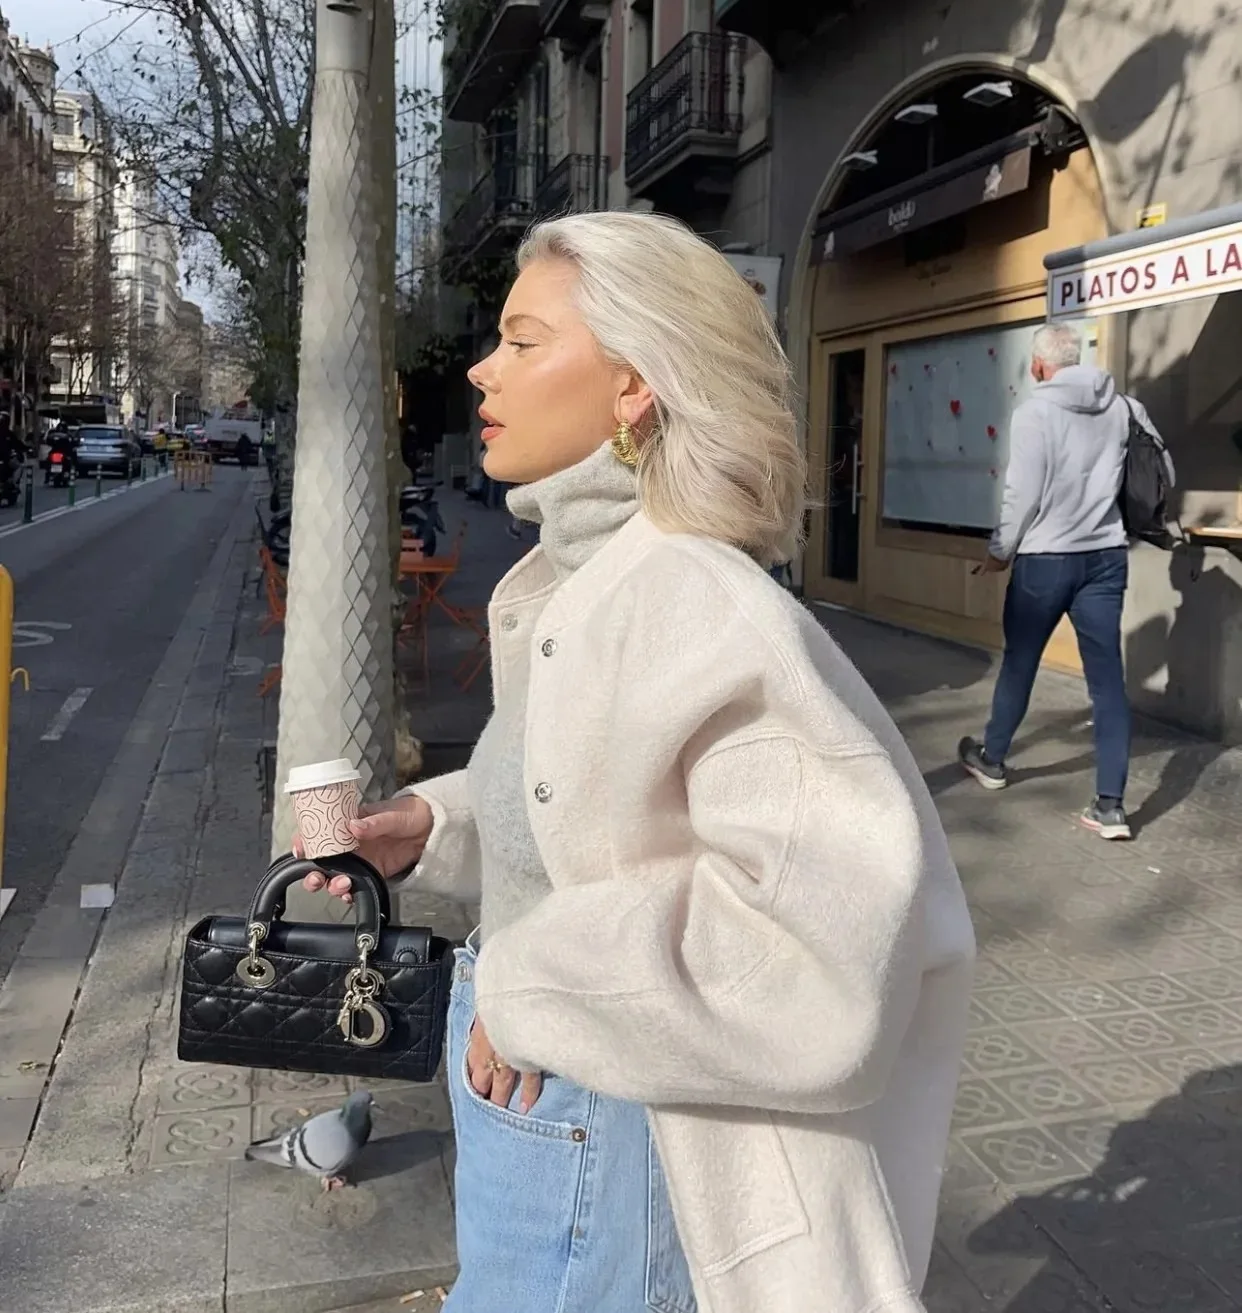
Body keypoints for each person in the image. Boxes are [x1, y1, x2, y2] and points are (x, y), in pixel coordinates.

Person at [296, 211, 975, 1313]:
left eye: (524, 341)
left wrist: (528, 990)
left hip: (617, 1128)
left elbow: (819, 945)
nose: (482, 367)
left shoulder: (697, 600)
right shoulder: (580, 583)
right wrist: (435, 826)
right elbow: (588, 796)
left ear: (634, 388)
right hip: (558, 1094)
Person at [959, 322, 1174, 841]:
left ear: (1038, 366)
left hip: (1044, 561)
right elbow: (1162, 465)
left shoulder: (1035, 412)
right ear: (1076, 360)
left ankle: (993, 760)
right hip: (1104, 557)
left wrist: (998, 552)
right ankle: (1111, 808)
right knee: (1106, 683)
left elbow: (1023, 494)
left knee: (1021, 662)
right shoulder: (1124, 407)